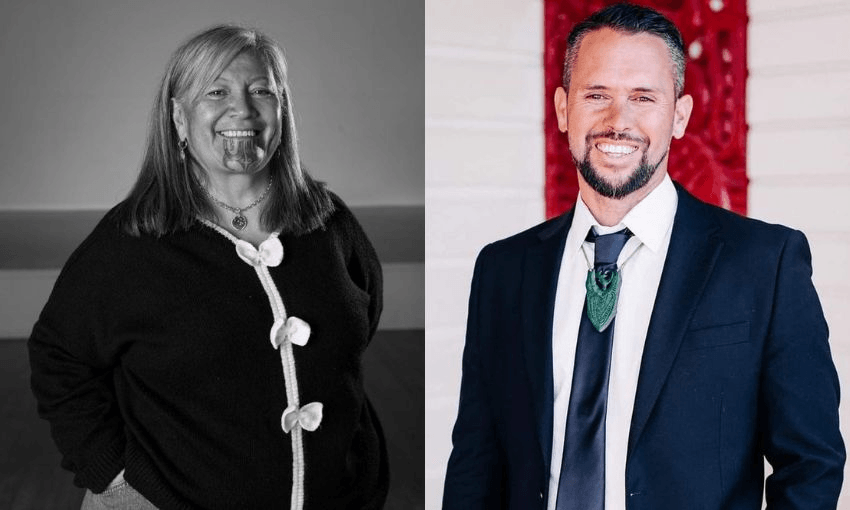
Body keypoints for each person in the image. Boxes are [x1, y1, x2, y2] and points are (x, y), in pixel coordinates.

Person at [442, 4, 844, 510]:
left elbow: (811, 465)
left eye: (643, 97)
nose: (618, 121)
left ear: (679, 116)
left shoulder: (766, 264)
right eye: (596, 95)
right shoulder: (502, 269)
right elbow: (475, 463)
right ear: (564, 109)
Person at [28, 24, 387, 510]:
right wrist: (112, 477)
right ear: (179, 118)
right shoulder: (130, 241)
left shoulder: (332, 223)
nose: (243, 109)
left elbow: (357, 331)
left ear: (282, 110)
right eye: (216, 92)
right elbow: (58, 356)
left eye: (261, 90)